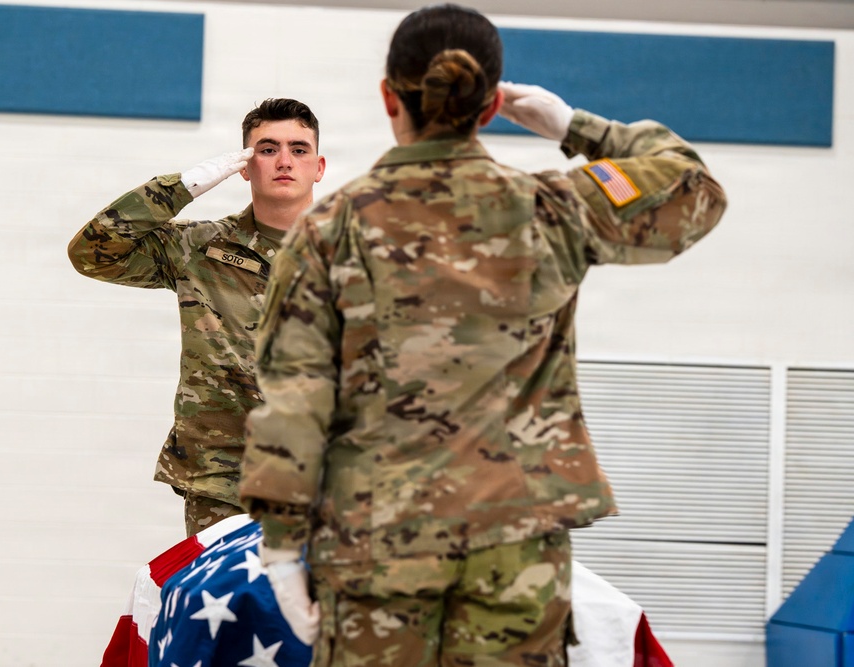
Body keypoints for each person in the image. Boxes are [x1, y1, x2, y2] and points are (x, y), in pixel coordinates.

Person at [238, 4, 727, 666]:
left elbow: (296, 395)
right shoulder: (550, 209)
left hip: (375, 547)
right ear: (491, 104)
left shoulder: (329, 228)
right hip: (515, 547)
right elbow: (693, 188)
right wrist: (575, 125)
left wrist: (280, 543)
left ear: (388, 97)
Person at [68, 98, 326, 537]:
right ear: (243, 166)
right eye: (267, 149)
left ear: (319, 166)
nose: (284, 161)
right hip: (224, 482)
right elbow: (93, 253)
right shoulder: (198, 248)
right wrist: (181, 186)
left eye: (299, 149)